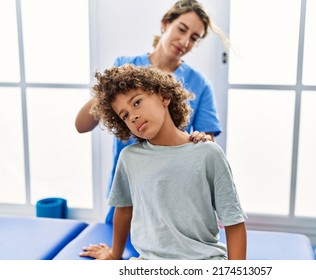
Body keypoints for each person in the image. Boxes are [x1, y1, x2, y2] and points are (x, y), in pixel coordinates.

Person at [75, 0, 227, 223]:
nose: (185, 41)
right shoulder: (126, 65)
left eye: (194, 38)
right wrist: (112, 85)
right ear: (166, 24)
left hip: (171, 198)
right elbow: (81, 125)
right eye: (182, 29)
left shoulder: (200, 84)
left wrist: (202, 140)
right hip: (128, 196)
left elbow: (206, 147)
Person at [80, 64, 247, 260]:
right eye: (124, 115)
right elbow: (123, 209)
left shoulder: (207, 153)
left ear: (164, 97)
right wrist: (114, 255)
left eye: (136, 102)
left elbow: (233, 221)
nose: (132, 116)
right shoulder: (129, 158)